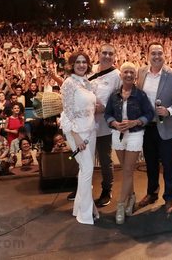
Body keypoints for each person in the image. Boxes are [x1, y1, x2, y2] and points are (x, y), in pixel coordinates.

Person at [137, 42, 172, 214]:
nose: (157, 56)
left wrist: (169, 111)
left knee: (168, 164)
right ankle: (152, 193)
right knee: (150, 163)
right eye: (153, 53)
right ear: (148, 55)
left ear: (164, 55)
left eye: (160, 53)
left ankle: (169, 197)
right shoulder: (141, 72)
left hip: (166, 126)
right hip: (147, 127)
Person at [104, 62, 153, 224]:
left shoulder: (141, 95)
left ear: (135, 76)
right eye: (126, 72)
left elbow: (149, 114)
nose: (129, 75)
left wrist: (135, 122)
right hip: (118, 134)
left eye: (132, 72)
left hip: (135, 134)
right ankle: (131, 197)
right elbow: (107, 114)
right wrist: (114, 123)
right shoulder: (114, 95)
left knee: (127, 171)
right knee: (127, 171)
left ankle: (120, 205)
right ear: (121, 75)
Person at [60, 51, 99, 225]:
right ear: (71, 65)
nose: (81, 65)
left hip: (90, 131)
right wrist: (75, 137)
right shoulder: (68, 83)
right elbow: (67, 112)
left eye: (84, 62)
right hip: (77, 132)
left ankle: (81, 207)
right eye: (78, 62)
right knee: (87, 169)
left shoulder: (87, 82)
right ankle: (86, 212)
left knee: (85, 171)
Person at [86, 43, 121, 208]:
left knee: (105, 160)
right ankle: (83, 189)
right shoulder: (89, 70)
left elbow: (121, 101)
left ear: (114, 57)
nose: (107, 56)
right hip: (85, 124)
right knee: (83, 159)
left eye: (110, 54)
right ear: (98, 54)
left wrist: (106, 108)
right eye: (104, 53)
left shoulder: (117, 76)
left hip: (104, 125)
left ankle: (107, 189)